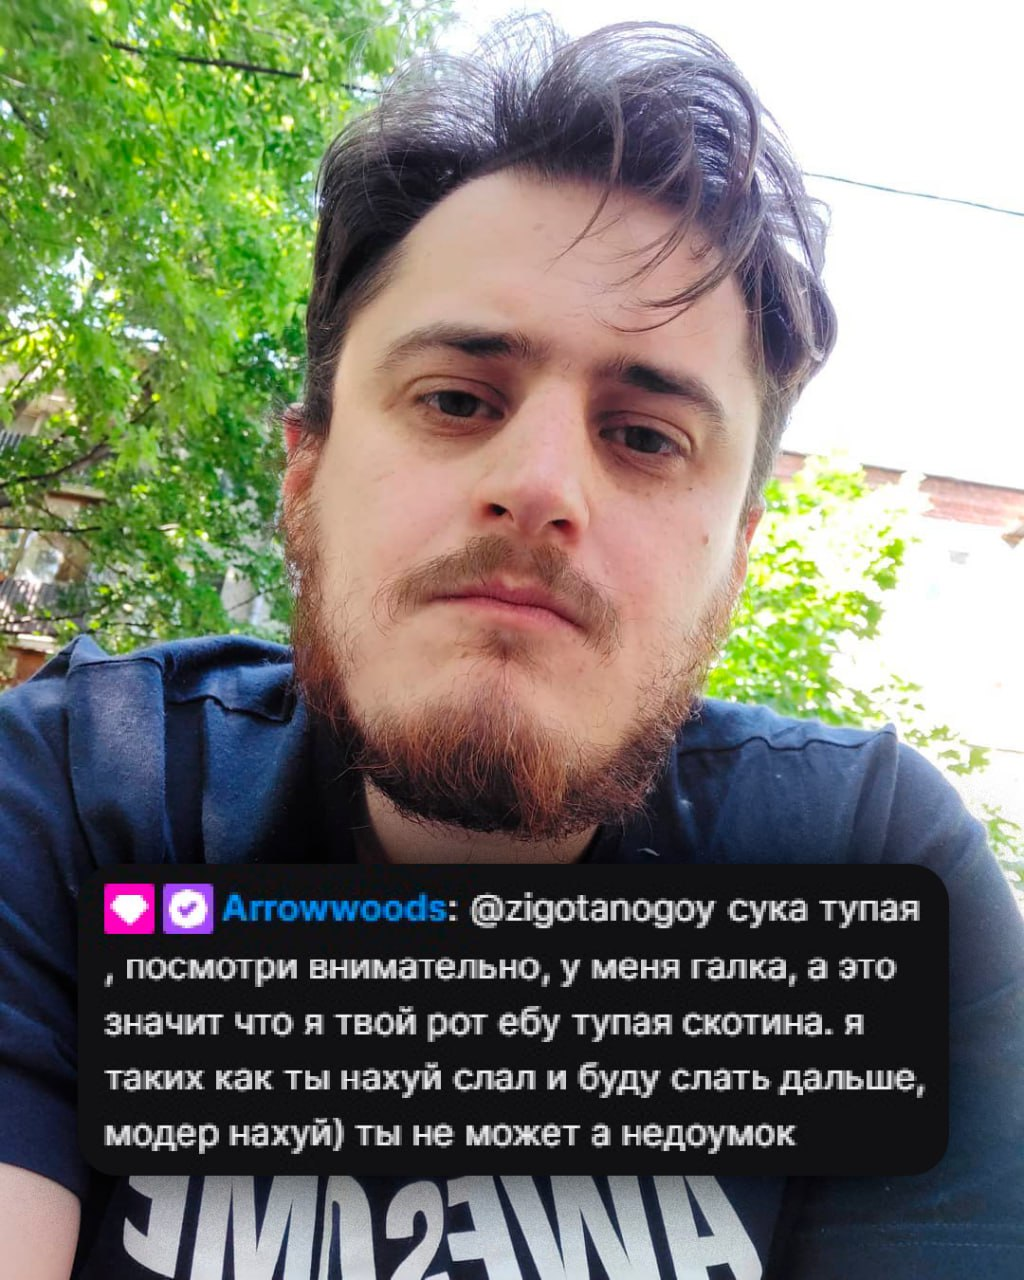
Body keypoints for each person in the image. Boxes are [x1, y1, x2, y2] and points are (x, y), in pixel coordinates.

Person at [1, 15, 1022, 1280]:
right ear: (304, 475)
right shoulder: (75, 797)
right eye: (455, 398)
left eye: (644, 436)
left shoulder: (867, 857)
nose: (539, 485)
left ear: (736, 558)